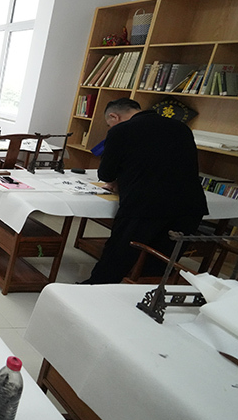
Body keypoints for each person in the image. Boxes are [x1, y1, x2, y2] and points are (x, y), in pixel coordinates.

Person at [81, 98, 208, 284]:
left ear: (114, 116)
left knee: (118, 255)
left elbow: (106, 173)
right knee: (160, 262)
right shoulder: (181, 128)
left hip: (145, 205)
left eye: (110, 123)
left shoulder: (121, 131)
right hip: (189, 206)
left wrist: (119, 181)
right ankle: (143, 300)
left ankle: (92, 293)